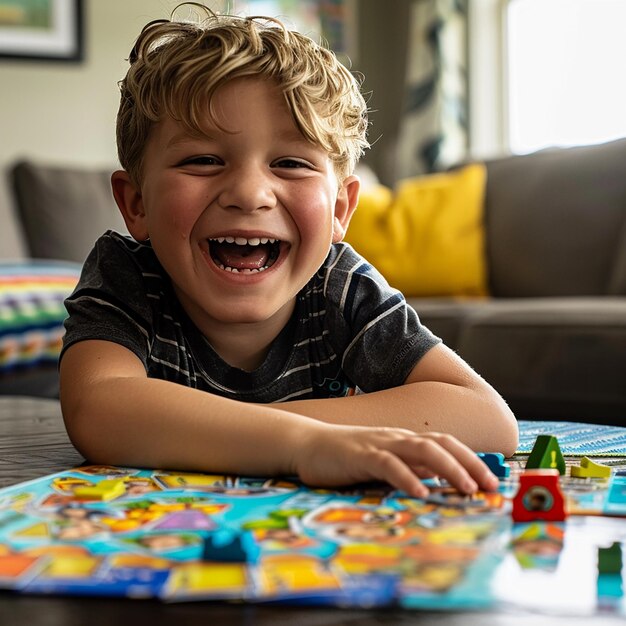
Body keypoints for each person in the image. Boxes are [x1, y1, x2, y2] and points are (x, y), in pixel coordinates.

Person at [59, 5, 518, 500]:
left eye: (291, 163)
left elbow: (487, 418)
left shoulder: (340, 286)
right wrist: (304, 444)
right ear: (136, 203)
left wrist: (225, 433)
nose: (250, 193)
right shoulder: (126, 274)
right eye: (203, 160)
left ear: (341, 208)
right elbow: (97, 410)